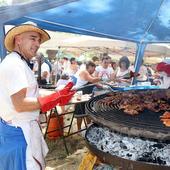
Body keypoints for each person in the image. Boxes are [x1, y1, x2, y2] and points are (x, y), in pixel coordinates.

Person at [0, 22, 75, 170]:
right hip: (19, 131)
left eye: (39, 40)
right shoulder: (15, 64)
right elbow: (20, 104)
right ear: (18, 39)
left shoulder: (17, 62)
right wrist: (54, 98)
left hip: (16, 128)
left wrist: (54, 95)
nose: (37, 44)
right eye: (33, 38)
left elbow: (28, 94)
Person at [74, 61, 100, 131]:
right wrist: (101, 78)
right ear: (90, 67)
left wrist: (106, 86)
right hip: (80, 95)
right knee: (79, 114)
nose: (94, 71)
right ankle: (79, 130)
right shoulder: (84, 72)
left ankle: (88, 128)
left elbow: (97, 83)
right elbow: (92, 80)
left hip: (87, 97)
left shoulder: (89, 74)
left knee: (88, 112)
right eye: (93, 69)